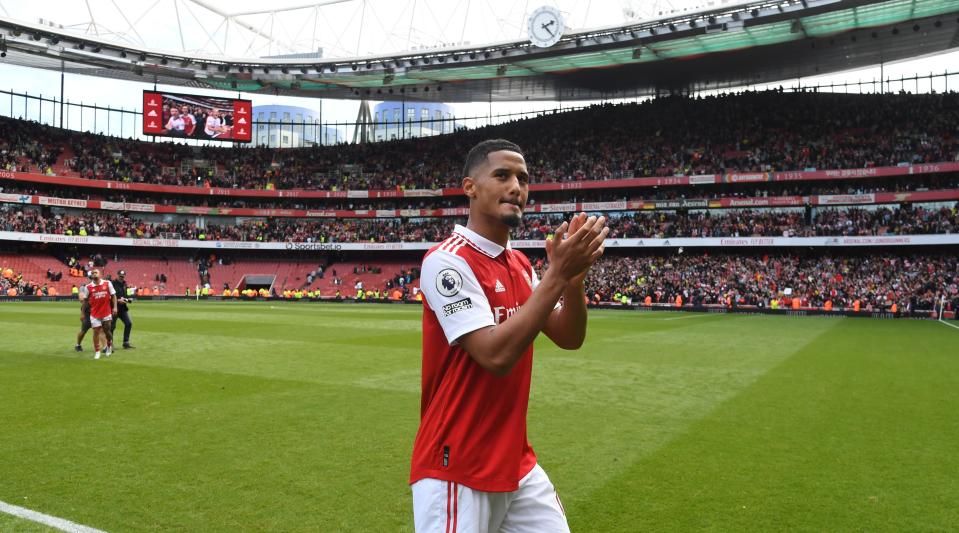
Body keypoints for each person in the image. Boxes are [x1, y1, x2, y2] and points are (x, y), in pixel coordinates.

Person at [409, 139, 608, 532]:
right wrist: (555, 276)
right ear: (470, 187)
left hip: (516, 461)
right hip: (457, 464)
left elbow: (569, 337)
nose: (516, 186)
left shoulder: (519, 264)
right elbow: (494, 356)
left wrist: (571, 283)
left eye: (523, 178)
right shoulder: (446, 261)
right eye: (502, 175)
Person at [83, 268, 117, 360]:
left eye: (96, 272)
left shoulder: (107, 283)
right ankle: (97, 351)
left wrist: (115, 307)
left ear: (100, 274)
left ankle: (109, 345)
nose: (94, 274)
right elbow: (85, 301)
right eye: (93, 273)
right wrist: (83, 313)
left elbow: (113, 295)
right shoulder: (88, 287)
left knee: (107, 331)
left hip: (106, 312)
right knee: (96, 332)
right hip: (94, 314)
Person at [110, 270, 135, 349]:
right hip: (114, 308)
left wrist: (128, 299)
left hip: (123, 309)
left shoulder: (125, 284)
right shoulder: (112, 283)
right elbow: (109, 296)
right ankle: (110, 344)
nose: (122, 278)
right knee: (112, 326)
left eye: (123, 276)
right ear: (117, 275)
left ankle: (126, 343)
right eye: (120, 276)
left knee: (129, 323)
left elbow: (125, 296)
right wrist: (117, 301)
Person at [75, 281, 91, 352]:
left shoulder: (98, 285)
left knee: (100, 330)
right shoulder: (83, 287)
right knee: (84, 330)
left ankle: (105, 347)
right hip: (87, 310)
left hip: (96, 310)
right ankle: (78, 344)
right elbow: (81, 299)